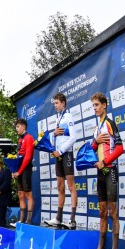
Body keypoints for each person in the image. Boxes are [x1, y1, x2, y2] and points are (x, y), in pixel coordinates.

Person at [85, 92, 125, 249]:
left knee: (113, 213)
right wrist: (95, 141)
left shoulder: (110, 123)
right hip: (100, 173)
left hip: (110, 171)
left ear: (104, 105)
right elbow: (92, 148)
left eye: (96, 105)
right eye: (93, 105)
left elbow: (120, 148)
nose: (94, 108)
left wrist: (104, 161)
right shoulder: (97, 128)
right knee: (102, 212)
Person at [45, 92, 78, 229]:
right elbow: (57, 138)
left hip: (66, 154)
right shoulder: (58, 118)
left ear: (63, 103)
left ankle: (72, 219)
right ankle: (58, 218)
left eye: (57, 103)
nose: (55, 106)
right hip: (58, 156)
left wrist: (61, 151)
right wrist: (53, 134)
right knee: (60, 187)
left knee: (71, 186)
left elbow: (73, 137)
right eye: (54, 104)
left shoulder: (68, 116)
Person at [12, 118, 35, 224]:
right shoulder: (20, 140)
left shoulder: (29, 138)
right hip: (19, 169)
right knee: (20, 194)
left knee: (28, 194)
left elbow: (28, 157)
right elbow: (18, 156)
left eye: (18, 126)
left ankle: (28, 220)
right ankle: (21, 219)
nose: (16, 129)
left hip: (25, 168)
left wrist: (20, 171)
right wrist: (14, 170)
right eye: (16, 127)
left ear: (24, 127)